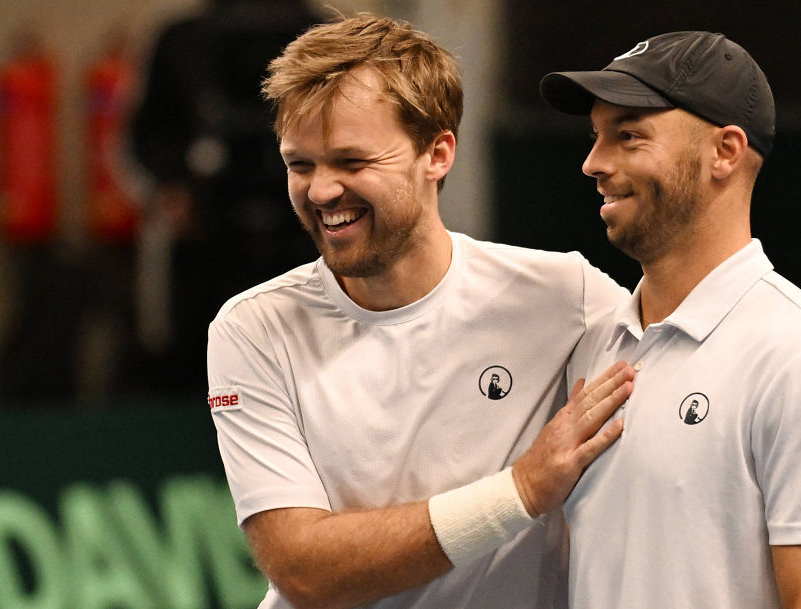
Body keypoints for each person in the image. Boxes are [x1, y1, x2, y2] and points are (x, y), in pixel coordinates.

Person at [207, 15, 635, 609]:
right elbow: (304, 571)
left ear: (437, 153)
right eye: (300, 165)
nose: (321, 191)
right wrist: (523, 491)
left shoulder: (568, 297)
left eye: (352, 162)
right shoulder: (251, 329)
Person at [539, 31, 801, 608]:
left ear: (725, 152)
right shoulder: (594, 346)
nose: (593, 163)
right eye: (595, 137)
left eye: (628, 135)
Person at [129, 0, 322, 397]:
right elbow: (148, 129)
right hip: (208, 231)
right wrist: (171, 185)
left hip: (303, 231)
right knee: (205, 360)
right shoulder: (184, 40)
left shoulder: (321, 34)